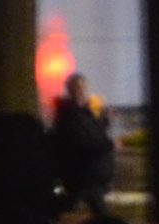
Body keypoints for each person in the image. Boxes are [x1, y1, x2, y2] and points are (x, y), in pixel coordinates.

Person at [49, 76, 120, 215]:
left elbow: (94, 131)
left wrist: (105, 119)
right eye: (77, 88)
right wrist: (110, 144)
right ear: (70, 90)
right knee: (85, 206)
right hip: (82, 172)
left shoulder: (85, 111)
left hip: (90, 172)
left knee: (77, 205)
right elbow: (83, 141)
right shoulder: (69, 116)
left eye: (82, 87)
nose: (81, 91)